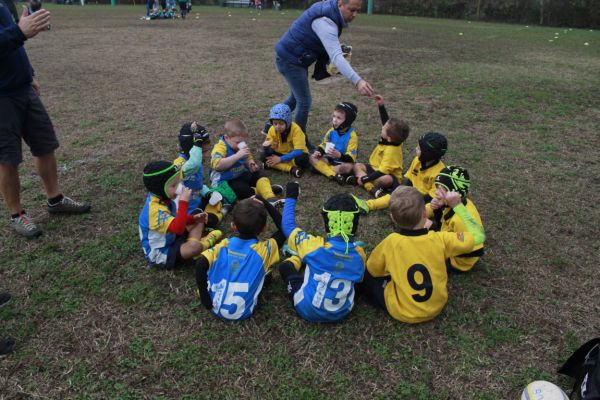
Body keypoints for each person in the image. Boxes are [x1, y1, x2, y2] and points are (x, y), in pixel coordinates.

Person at [0, 1, 91, 239]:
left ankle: (55, 199)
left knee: (45, 145)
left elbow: (15, 44)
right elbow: (15, 34)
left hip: (23, 87)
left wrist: (29, 72)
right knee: (8, 158)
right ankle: (17, 214)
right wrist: (19, 32)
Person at [361, 186, 485, 323]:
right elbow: (478, 236)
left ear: (393, 218)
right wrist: (458, 205)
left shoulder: (391, 242)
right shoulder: (441, 239)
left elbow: (373, 270)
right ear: (425, 214)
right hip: (436, 307)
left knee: (366, 276)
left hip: (402, 311)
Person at [273, 0, 374, 144]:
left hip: (293, 57)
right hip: (290, 59)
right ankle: (299, 141)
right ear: (340, 4)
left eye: (358, 10)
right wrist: (358, 81)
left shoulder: (330, 11)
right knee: (304, 101)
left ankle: (270, 126)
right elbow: (336, 56)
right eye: (352, 10)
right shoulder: (325, 22)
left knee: (296, 97)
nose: (355, 14)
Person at [277, 182, 366, 323]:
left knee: (285, 268)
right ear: (355, 223)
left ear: (327, 223)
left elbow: (287, 225)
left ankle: (297, 257)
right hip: (342, 312)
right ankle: (299, 256)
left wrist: (291, 196)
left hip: (306, 309)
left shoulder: (313, 247)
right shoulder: (360, 255)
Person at [196, 197, 285, 321]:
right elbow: (284, 228)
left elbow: (200, 264)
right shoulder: (264, 251)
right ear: (265, 227)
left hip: (213, 305)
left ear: (233, 225)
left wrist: (205, 297)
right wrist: (264, 202)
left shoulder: (224, 244)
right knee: (266, 273)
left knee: (218, 262)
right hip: (241, 313)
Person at [138, 160, 222, 269]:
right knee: (193, 248)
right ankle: (203, 244)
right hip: (161, 252)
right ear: (160, 189)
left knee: (197, 215)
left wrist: (193, 218)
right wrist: (183, 202)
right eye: (174, 185)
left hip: (172, 235)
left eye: (178, 182)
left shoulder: (165, 197)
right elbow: (178, 228)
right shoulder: (154, 210)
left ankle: (193, 244)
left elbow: (175, 220)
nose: (179, 188)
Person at [346, 95, 410, 197]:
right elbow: (386, 123)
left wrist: (364, 178)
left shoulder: (392, 151)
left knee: (384, 180)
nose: (382, 127)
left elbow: (382, 172)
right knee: (358, 166)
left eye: (383, 128)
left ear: (389, 137)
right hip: (375, 168)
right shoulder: (392, 138)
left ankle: (365, 183)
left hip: (387, 174)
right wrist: (381, 106)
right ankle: (372, 188)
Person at [209, 119, 282, 205]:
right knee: (242, 190)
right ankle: (263, 191)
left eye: (243, 141)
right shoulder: (220, 147)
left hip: (240, 173)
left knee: (260, 175)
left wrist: (250, 163)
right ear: (226, 137)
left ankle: (270, 197)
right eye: (238, 142)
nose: (241, 144)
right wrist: (237, 156)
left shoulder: (238, 144)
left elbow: (247, 156)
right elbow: (217, 165)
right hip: (226, 180)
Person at [428, 166, 484, 272]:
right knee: (422, 225)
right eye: (437, 187)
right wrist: (438, 210)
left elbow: (476, 248)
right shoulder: (455, 204)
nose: (436, 192)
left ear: (454, 193)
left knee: (421, 254)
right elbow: (443, 224)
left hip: (457, 261)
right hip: (449, 238)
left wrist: (442, 250)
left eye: (441, 189)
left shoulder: (460, 218)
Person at [174, 121, 225, 229]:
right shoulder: (180, 164)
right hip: (185, 211)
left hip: (197, 201)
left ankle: (213, 215)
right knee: (208, 220)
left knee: (219, 198)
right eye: (204, 149)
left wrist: (207, 193)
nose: (207, 153)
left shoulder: (198, 163)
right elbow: (194, 164)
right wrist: (197, 144)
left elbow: (197, 186)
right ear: (192, 148)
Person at [309, 101, 358, 185]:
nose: (334, 120)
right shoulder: (331, 131)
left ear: (348, 121)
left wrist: (339, 155)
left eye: (339, 118)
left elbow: (351, 158)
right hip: (329, 159)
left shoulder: (352, 136)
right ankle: (334, 175)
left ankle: (321, 169)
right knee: (312, 158)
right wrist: (319, 152)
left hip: (342, 162)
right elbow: (324, 145)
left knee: (349, 167)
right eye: (334, 116)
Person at [262, 103, 309, 178]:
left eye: (281, 124)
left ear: (288, 122)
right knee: (263, 156)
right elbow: (271, 150)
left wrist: (280, 159)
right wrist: (267, 148)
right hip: (280, 153)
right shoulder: (271, 130)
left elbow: (298, 151)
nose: (278, 127)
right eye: (275, 123)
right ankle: (291, 169)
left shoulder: (296, 130)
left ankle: (273, 165)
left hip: (294, 154)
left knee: (302, 160)